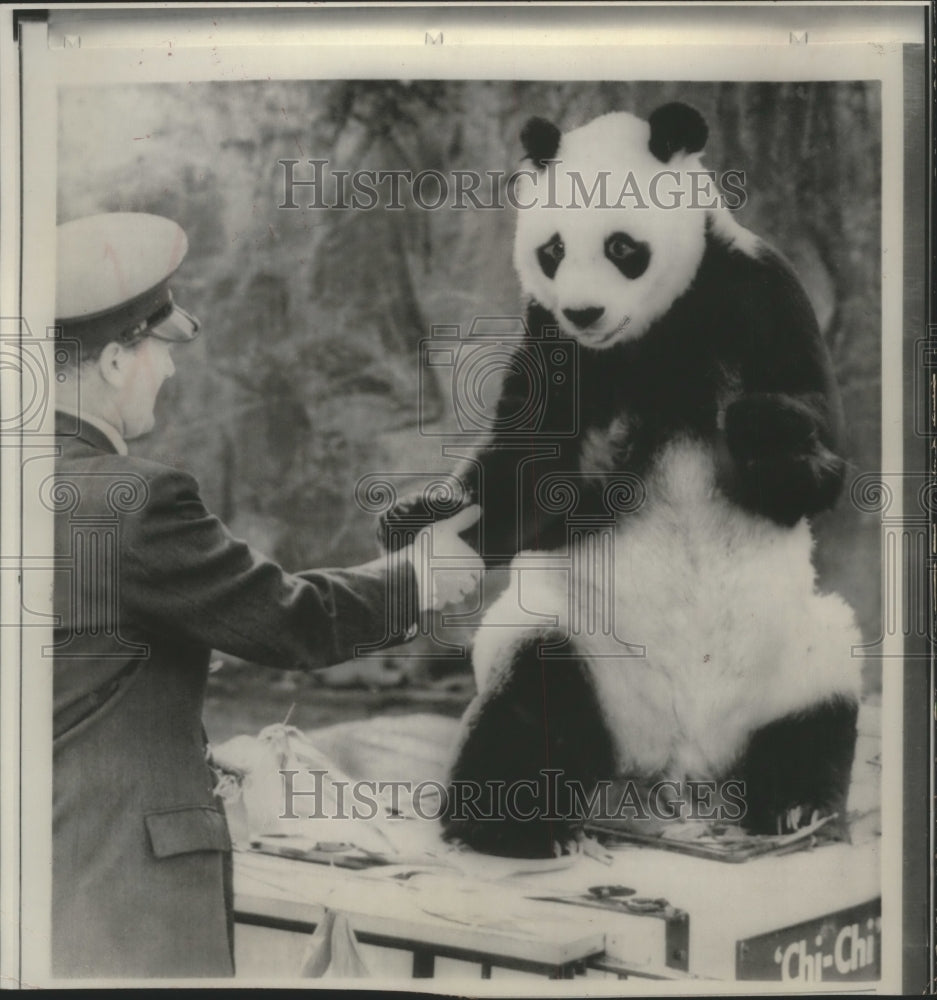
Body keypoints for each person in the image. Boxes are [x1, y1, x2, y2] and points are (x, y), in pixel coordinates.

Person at [50, 212, 482, 978]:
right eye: (162, 349)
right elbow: (289, 621)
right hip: (122, 900)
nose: (172, 371)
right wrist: (418, 579)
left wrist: (179, 746)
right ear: (116, 361)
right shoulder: (133, 499)